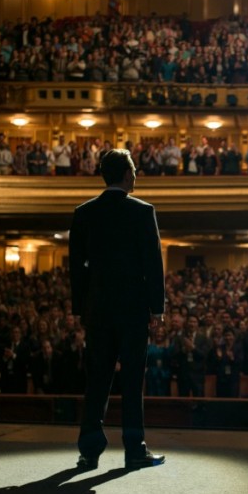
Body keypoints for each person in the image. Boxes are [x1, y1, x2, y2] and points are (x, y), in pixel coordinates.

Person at [69, 148, 165, 471]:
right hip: (133, 308)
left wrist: (80, 306)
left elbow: (76, 267)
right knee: (133, 379)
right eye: (134, 169)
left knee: (96, 379)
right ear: (126, 175)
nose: (136, 174)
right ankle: (134, 449)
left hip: (97, 308)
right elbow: (153, 263)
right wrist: (157, 307)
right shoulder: (142, 211)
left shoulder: (84, 213)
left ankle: (89, 451)